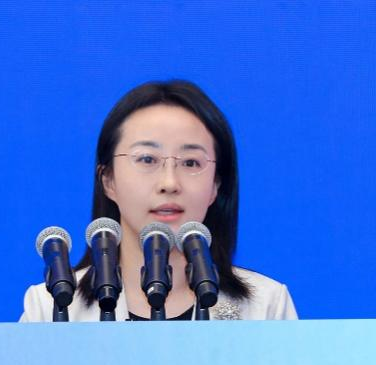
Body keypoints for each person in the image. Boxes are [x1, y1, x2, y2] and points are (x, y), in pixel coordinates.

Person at [20, 80, 297, 322]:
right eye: (147, 159)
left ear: (216, 185)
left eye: (191, 162)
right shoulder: (50, 307)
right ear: (108, 180)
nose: (169, 183)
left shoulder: (265, 306)